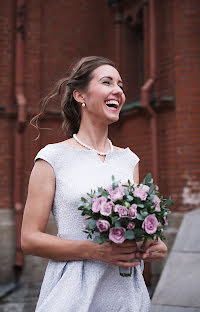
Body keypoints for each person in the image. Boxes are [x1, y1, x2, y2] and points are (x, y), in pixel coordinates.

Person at [21, 56, 167, 312]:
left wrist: (150, 241)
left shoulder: (128, 159)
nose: (118, 91)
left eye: (121, 85)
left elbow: (131, 228)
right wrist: (94, 251)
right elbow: (29, 239)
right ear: (80, 95)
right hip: (74, 292)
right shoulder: (52, 158)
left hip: (126, 295)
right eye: (107, 82)